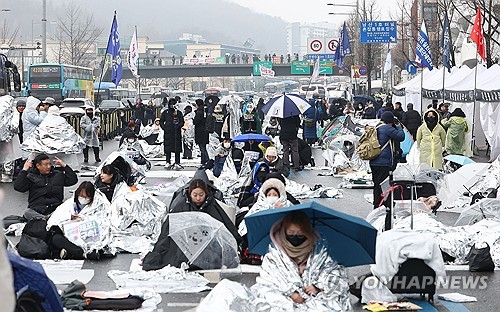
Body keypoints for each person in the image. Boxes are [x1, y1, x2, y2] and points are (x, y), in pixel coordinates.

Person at [252, 211, 351, 311]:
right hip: (284, 297)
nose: (295, 237)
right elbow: (268, 279)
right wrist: (291, 293)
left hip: (314, 298)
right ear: (284, 231)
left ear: (307, 232)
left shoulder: (319, 249)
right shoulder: (274, 254)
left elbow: (334, 273)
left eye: (300, 234)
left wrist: (318, 286)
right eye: (291, 233)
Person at [142, 178, 242, 271]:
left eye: (201, 195)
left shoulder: (212, 205)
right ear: (190, 194)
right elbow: (170, 227)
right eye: (195, 195)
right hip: (185, 241)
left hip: (206, 242)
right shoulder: (181, 205)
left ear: (206, 194)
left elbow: (224, 223)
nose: (198, 198)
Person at [14, 154, 78, 220]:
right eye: (45, 165)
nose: (48, 167)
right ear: (38, 166)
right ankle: (45, 219)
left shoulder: (57, 175)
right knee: (28, 213)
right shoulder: (31, 176)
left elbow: (73, 180)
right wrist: (24, 170)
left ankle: (44, 219)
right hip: (37, 208)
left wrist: (65, 166)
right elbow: (18, 187)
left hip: (55, 207)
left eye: (49, 164)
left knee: (67, 210)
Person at [46, 181, 98, 259]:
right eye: (81, 196)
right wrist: (69, 217)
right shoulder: (68, 205)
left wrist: (85, 219)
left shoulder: (96, 205)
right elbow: (55, 220)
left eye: (87, 197)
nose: (83, 199)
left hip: (86, 236)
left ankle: (70, 252)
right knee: (56, 239)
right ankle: (82, 254)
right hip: (69, 236)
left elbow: (101, 220)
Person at [369, 111, 405, 209]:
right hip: (383, 162)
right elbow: (401, 137)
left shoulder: (376, 127)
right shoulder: (387, 128)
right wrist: (398, 126)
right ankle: (386, 204)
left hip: (373, 161)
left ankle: (377, 204)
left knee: (376, 184)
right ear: (390, 121)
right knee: (384, 184)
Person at [160, 98, 184, 169]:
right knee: (168, 148)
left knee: (177, 148)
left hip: (176, 132)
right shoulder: (165, 112)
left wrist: (178, 126)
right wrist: (164, 127)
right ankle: (168, 161)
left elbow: (182, 122)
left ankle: (177, 162)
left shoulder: (178, 113)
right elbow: (161, 121)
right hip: (168, 133)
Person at [193, 99, 209, 165]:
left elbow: (196, 122)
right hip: (205, 131)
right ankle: (207, 159)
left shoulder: (199, 112)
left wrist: (193, 119)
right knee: (204, 147)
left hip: (200, 132)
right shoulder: (205, 111)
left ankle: (204, 161)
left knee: (202, 148)